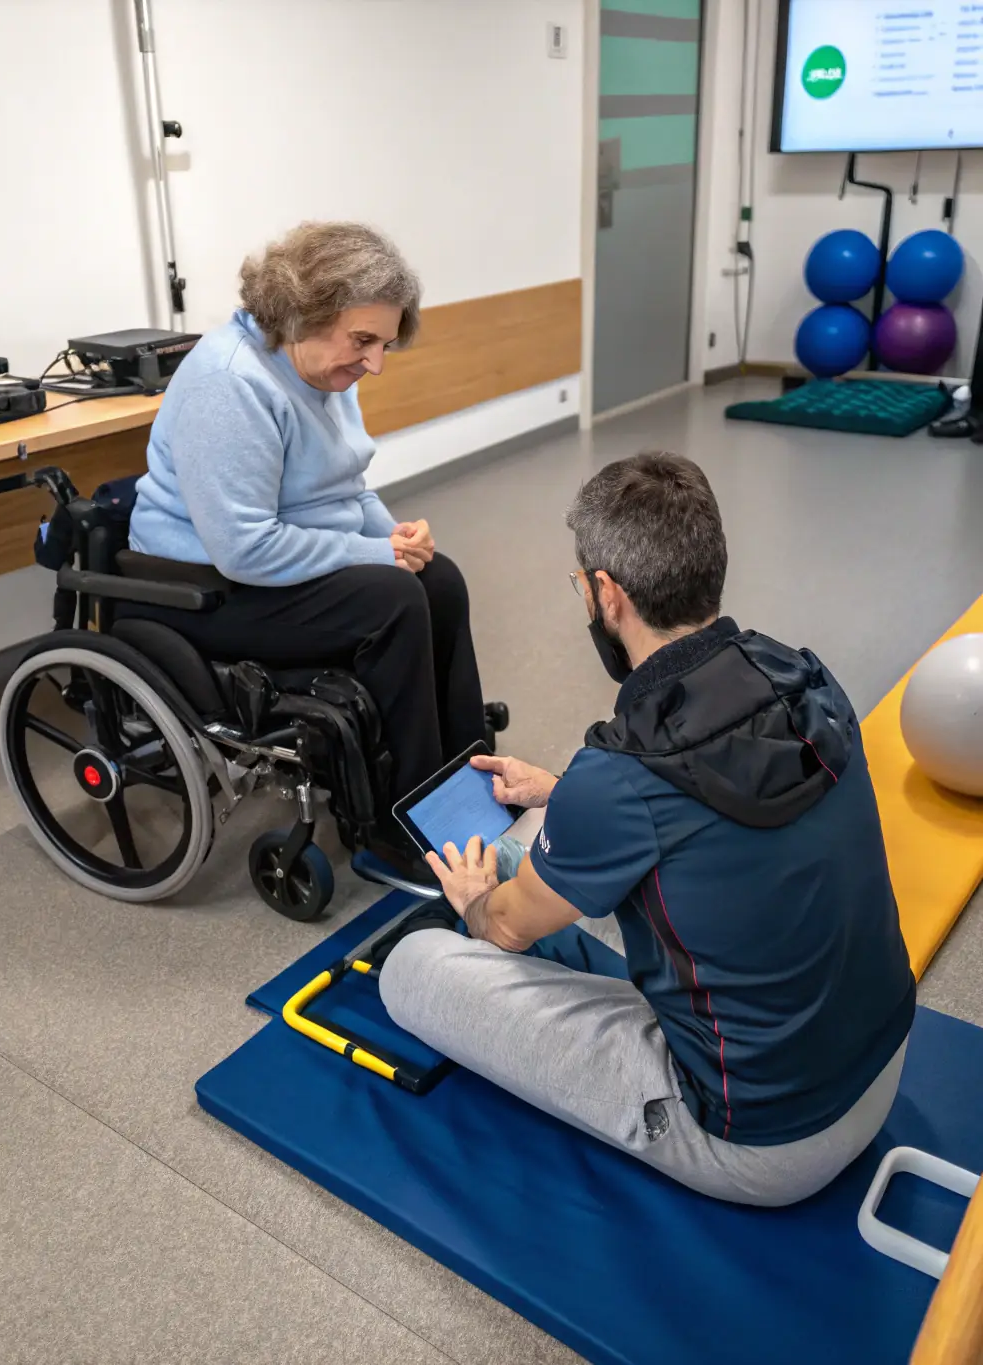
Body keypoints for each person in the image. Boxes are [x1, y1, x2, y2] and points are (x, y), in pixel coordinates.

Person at [380, 452, 916, 1206]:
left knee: (413, 968)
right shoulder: (800, 675)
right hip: (885, 1058)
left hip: (764, 1143)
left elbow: (502, 931)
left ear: (607, 592)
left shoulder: (624, 772)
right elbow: (709, 809)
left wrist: (473, 898)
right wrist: (562, 792)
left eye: (583, 587)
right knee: (544, 845)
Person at [122, 221, 500, 873]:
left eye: (383, 343)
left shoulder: (323, 372)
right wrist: (379, 558)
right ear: (305, 312)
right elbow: (245, 548)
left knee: (439, 579)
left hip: (270, 562)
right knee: (393, 601)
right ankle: (397, 826)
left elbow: (344, 488)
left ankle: (464, 787)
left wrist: (396, 537)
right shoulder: (232, 382)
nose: (374, 363)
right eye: (364, 341)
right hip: (198, 585)